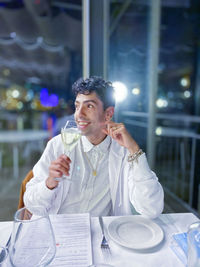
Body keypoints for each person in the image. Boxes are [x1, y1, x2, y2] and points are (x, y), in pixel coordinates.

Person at [24, 76, 164, 218]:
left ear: (108, 113)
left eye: (89, 106)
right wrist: (49, 183)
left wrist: (134, 149)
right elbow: (31, 204)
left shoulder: (124, 152)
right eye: (77, 106)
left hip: (102, 234)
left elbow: (152, 208)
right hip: (58, 232)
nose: (78, 114)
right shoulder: (57, 145)